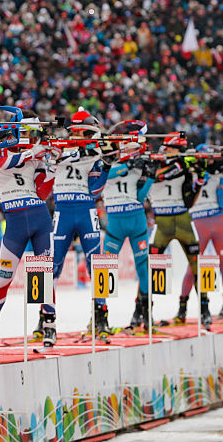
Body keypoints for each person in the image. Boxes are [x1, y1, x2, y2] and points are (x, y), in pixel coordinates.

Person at [0, 110, 57, 346]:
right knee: (4, 279)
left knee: (44, 277)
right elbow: (5, 163)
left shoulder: (33, 156)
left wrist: (51, 168)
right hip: (15, 225)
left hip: (40, 219)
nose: (30, 138)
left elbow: (42, 193)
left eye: (32, 134)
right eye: (25, 133)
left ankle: (50, 325)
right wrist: (34, 151)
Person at [47, 109, 109, 337]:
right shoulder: (58, 145)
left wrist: (106, 166)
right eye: (89, 133)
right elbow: (51, 159)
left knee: (98, 265)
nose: (92, 138)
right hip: (63, 209)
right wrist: (78, 151)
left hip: (85, 209)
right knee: (52, 267)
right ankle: (46, 321)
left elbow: (95, 190)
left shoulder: (94, 152)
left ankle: (101, 316)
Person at [145, 134, 206, 325]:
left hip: (183, 219)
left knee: (198, 266)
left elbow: (191, 200)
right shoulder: (155, 162)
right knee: (148, 267)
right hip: (161, 222)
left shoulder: (185, 166)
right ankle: (143, 312)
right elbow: (158, 176)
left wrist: (199, 175)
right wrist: (180, 165)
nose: (167, 151)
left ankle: (204, 309)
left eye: (172, 149)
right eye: (168, 149)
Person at [99, 122, 153, 329]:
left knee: (143, 267)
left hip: (136, 217)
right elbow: (105, 176)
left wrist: (150, 177)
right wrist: (127, 165)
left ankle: (146, 314)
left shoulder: (138, 164)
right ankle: (99, 316)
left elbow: (140, 198)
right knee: (104, 267)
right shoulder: (107, 160)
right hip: (115, 222)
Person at [179, 148, 223, 322]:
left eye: (211, 158)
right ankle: (183, 307)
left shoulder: (216, 174)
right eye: (206, 158)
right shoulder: (189, 173)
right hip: (198, 221)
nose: (209, 161)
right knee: (193, 267)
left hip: (217, 221)